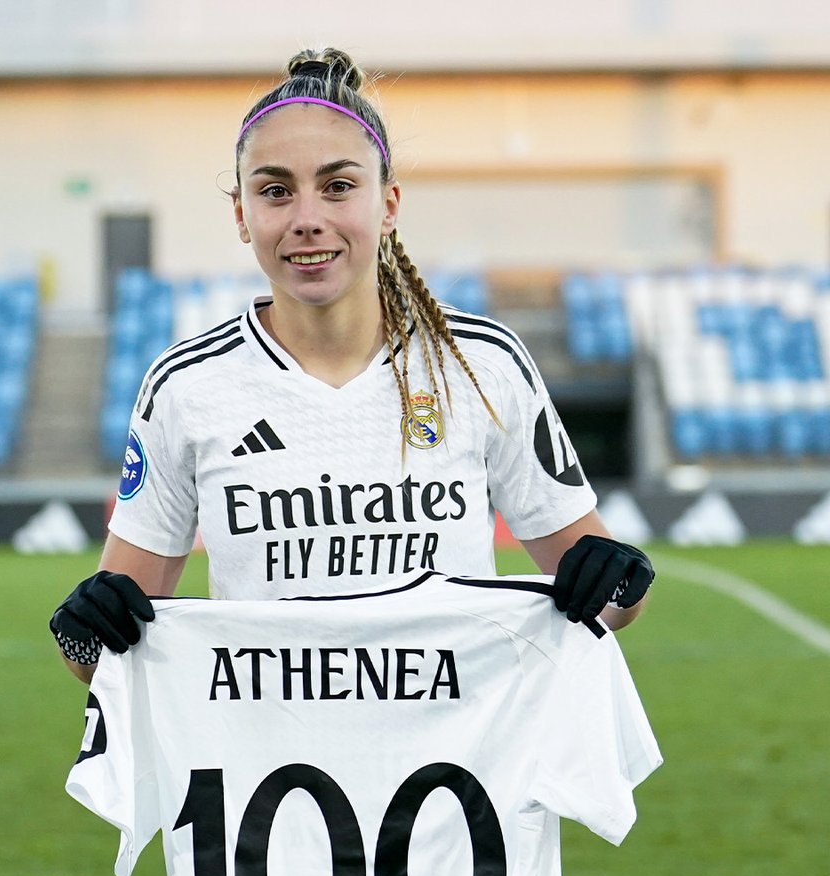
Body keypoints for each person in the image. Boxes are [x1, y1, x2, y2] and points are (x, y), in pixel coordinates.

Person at [50, 46, 653, 677]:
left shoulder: (480, 364)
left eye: (338, 186)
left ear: (388, 204)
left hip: (459, 762)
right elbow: (104, 658)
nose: (307, 219)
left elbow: (604, 601)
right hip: (269, 759)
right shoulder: (188, 387)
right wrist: (86, 630)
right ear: (241, 215)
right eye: (276, 191)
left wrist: (617, 582)